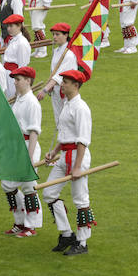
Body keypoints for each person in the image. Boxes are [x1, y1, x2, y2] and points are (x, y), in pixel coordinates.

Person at [43, 69, 95, 256]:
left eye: (65, 82)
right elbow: (65, 135)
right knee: (49, 193)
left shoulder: (81, 108)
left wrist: (78, 167)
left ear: (76, 85)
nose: (62, 85)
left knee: (80, 198)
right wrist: (54, 152)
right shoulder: (67, 104)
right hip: (64, 156)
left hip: (76, 157)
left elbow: (82, 140)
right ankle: (67, 233)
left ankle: (82, 242)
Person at [2, 66, 44, 237]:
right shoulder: (20, 99)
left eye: (18, 79)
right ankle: (19, 221)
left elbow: (34, 131)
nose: (15, 82)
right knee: (7, 184)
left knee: (28, 186)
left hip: (28, 147)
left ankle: (31, 225)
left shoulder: (32, 103)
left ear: (28, 80)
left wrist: (30, 157)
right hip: (16, 147)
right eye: (15, 79)